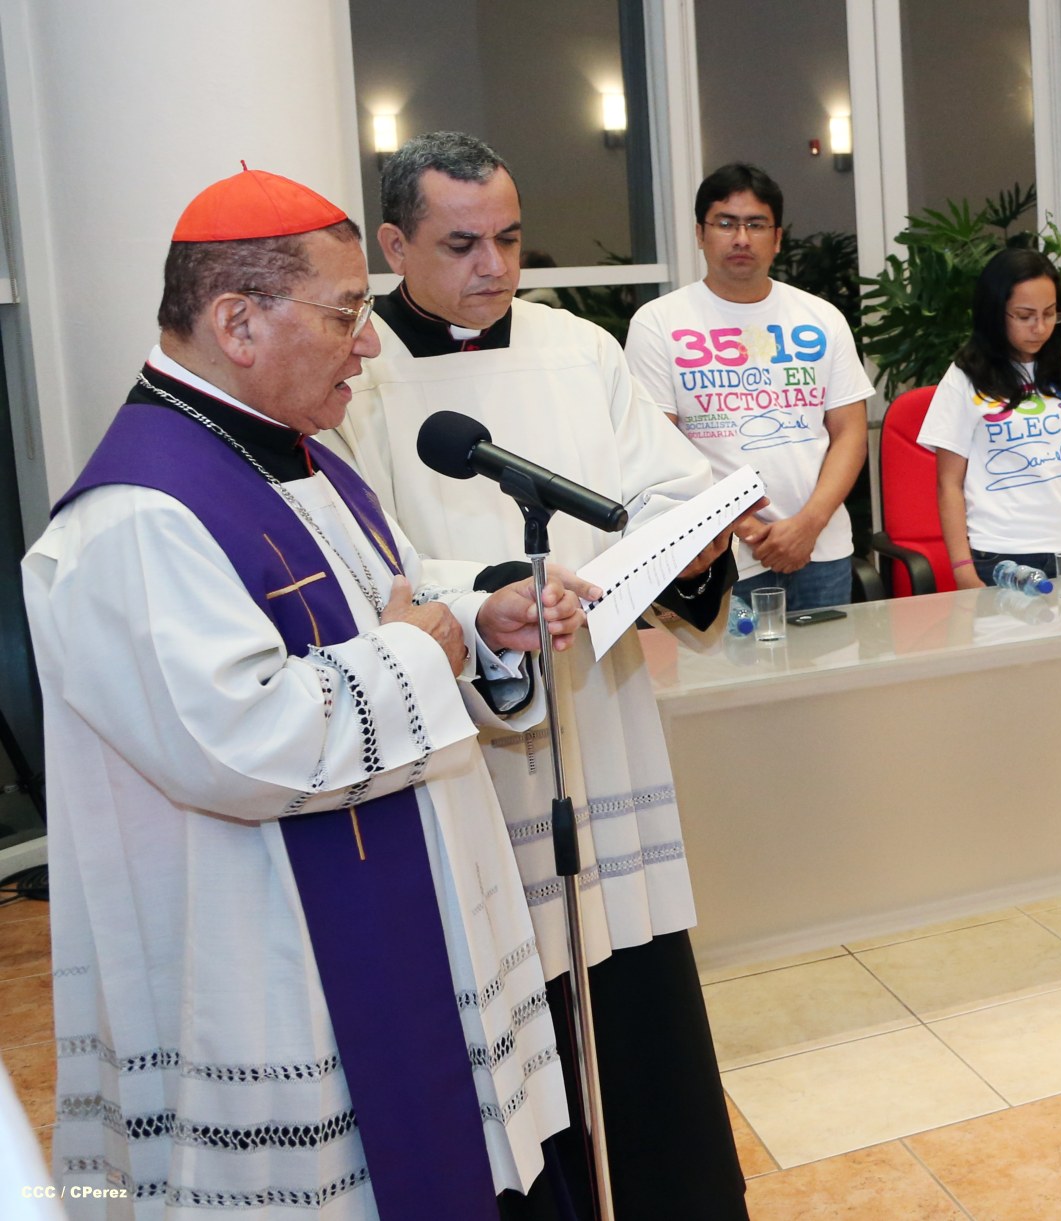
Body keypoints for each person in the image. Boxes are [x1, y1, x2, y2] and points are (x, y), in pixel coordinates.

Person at [26, 168, 593, 1218]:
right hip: (271, 977)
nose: (368, 345)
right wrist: (423, 653)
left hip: (394, 933)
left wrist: (478, 621)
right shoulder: (137, 519)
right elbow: (237, 743)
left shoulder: (302, 460)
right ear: (238, 323)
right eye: (344, 314)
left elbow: (387, 597)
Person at [330, 132, 745, 1221]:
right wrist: (493, 596)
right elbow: (368, 562)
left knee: (629, 989)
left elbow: (665, 489)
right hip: (470, 738)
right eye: (461, 244)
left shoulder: (579, 348)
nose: (495, 266)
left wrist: (685, 544)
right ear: (393, 246)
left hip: (598, 713)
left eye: (510, 239)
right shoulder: (358, 377)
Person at [625, 163, 872, 612]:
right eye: (725, 223)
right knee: (728, 662)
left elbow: (850, 432)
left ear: (777, 238)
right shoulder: (658, 323)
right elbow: (659, 449)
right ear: (700, 233)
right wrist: (746, 527)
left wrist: (808, 525)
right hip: (719, 552)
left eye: (756, 225)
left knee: (828, 660)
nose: (741, 238)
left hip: (820, 547)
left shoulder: (821, 318)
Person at [920, 247, 1061, 588]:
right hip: (1002, 555)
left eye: (1050, 313)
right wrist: (963, 569)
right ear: (996, 313)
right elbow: (948, 483)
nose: (1040, 327)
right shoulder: (965, 377)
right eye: (1024, 316)